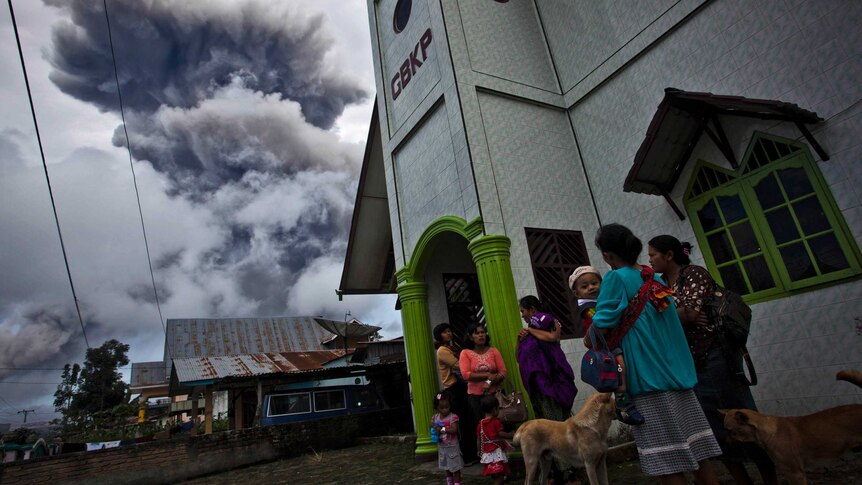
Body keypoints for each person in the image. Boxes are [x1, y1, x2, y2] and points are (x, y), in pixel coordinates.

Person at [590, 224, 721, 485]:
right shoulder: (654, 278)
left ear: (607, 254)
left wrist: (589, 337)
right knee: (698, 453)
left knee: (667, 461)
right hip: (679, 377)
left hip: (649, 381)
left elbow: (601, 323)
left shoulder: (616, 278)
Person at [647, 235, 778, 485]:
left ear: (669, 255)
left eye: (653, 254)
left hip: (717, 357)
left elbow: (690, 312)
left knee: (744, 419)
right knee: (715, 430)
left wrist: (682, 315)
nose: (650, 259)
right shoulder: (659, 284)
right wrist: (682, 315)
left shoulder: (694, 274)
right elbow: (666, 318)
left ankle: (770, 479)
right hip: (690, 363)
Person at [516, 295, 581, 485]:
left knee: (558, 428)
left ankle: (569, 472)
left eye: (523, 311)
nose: (523, 315)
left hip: (552, 385)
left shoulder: (547, 323)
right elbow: (519, 356)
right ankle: (553, 472)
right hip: (538, 387)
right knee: (545, 432)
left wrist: (530, 331)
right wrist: (520, 340)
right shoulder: (528, 332)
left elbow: (553, 337)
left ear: (533, 310)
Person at [570, 266, 643, 425]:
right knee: (620, 367)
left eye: (594, 283)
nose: (591, 287)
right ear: (576, 293)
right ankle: (623, 402)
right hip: (606, 345)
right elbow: (601, 321)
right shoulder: (587, 307)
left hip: (612, 340)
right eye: (584, 286)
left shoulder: (602, 300)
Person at [433, 322, 478, 464]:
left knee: (468, 420)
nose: (449, 334)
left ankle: (472, 453)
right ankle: (468, 456)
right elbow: (458, 365)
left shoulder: (448, 348)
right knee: (463, 421)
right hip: (454, 388)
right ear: (439, 335)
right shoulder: (442, 350)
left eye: (449, 331)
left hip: (458, 386)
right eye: (445, 332)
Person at [459, 323, 507, 428]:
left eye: (482, 332)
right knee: (482, 425)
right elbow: (466, 375)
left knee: (500, 424)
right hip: (476, 397)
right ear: (471, 337)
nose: (481, 335)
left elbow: (503, 372)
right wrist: (487, 374)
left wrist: (489, 381)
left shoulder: (493, 351)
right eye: (477, 333)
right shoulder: (465, 353)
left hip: (495, 394)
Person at [477, 395, 514, 484]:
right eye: (498, 409)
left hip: (487, 453)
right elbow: (500, 434)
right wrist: (512, 435)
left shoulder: (480, 424)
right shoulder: (495, 422)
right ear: (494, 410)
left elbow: (478, 439)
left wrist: (479, 450)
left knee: (494, 473)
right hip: (496, 452)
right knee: (499, 474)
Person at [431, 391, 463, 485]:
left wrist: (442, 429)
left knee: (455, 467)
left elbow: (454, 430)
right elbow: (432, 425)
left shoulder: (453, 417)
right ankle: (449, 482)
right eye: (441, 408)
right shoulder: (435, 417)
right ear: (437, 407)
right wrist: (433, 427)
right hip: (442, 447)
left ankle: (457, 483)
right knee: (446, 467)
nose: (444, 410)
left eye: (447, 407)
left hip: (452, 447)